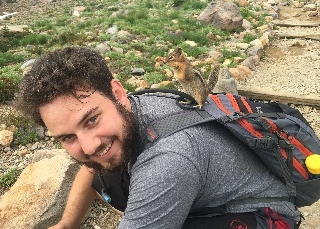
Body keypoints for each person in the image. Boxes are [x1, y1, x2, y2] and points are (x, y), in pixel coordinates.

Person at [15, 47, 302, 229]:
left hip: (261, 212)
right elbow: (91, 167)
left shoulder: (167, 162)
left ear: (117, 94)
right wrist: (66, 224)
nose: (87, 144)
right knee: (106, 159)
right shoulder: (128, 112)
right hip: (203, 187)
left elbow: (164, 168)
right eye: (67, 137)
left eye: (91, 120)